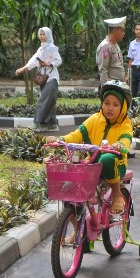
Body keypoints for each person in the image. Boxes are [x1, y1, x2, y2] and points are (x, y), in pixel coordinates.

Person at [55, 80, 133, 215]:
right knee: (68, 191)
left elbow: (126, 139)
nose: (110, 108)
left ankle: (116, 195)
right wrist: (61, 140)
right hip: (92, 164)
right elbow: (77, 135)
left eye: (115, 104)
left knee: (108, 158)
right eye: (106, 103)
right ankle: (75, 231)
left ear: (123, 107)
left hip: (115, 165)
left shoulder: (125, 125)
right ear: (102, 104)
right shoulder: (95, 119)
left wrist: (120, 145)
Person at [15, 27, 62, 131]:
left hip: (52, 78)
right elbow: (32, 61)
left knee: (43, 101)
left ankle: (36, 123)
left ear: (48, 35)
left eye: (44, 34)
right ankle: (52, 124)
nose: (42, 36)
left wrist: (48, 64)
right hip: (43, 78)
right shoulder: (40, 49)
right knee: (49, 102)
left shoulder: (52, 48)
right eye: (40, 34)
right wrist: (23, 69)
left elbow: (59, 61)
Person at [97, 17, 127, 85]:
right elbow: (103, 70)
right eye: (122, 31)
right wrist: (105, 88)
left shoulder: (115, 45)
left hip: (118, 85)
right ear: (114, 31)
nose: (124, 34)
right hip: (111, 87)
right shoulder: (105, 46)